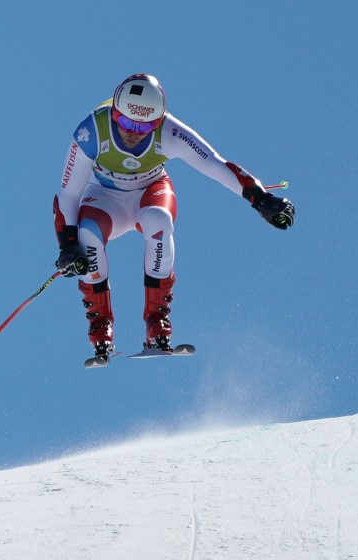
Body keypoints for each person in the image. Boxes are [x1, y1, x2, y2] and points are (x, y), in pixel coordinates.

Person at [53, 73, 295, 363]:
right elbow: (67, 196)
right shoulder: (92, 131)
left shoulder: (170, 132)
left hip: (150, 191)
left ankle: (157, 322)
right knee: (87, 235)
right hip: (105, 197)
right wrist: (67, 245)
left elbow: (216, 165)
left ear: (158, 122)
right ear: (115, 113)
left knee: (158, 221)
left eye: (144, 127)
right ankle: (100, 326)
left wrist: (261, 200)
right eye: (126, 123)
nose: (132, 132)